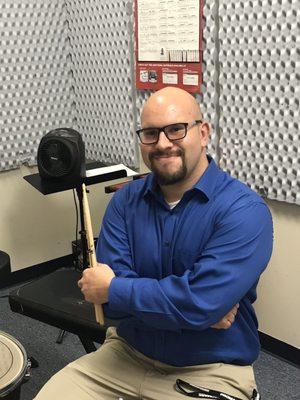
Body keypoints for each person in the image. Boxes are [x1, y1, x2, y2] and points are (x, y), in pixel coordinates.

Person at [35, 87, 273, 400]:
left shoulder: (244, 211)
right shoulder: (124, 202)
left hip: (210, 367)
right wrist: (193, 308)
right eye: (150, 133)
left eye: (176, 129)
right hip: (126, 353)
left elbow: (192, 302)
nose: (162, 144)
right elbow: (110, 305)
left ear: (203, 133)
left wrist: (117, 289)